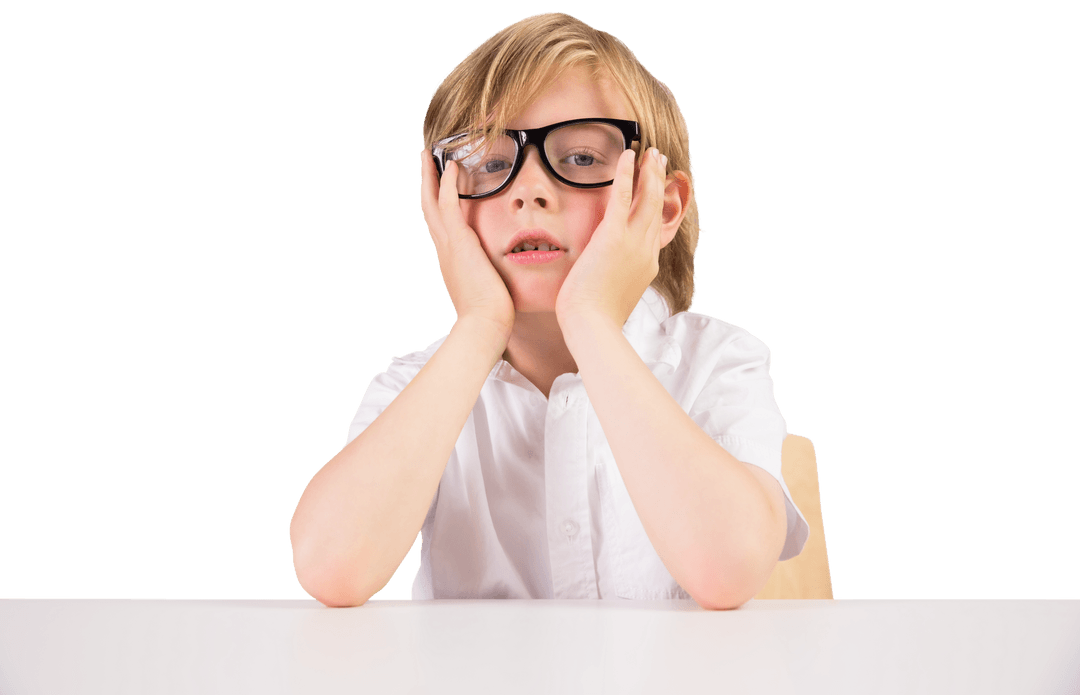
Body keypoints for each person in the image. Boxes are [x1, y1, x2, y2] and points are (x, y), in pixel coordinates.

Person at [288, 12, 809, 610]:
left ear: (660, 207)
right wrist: (481, 322)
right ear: (443, 211)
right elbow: (330, 567)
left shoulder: (717, 360)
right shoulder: (417, 387)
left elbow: (730, 568)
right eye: (487, 163)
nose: (526, 189)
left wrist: (588, 319)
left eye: (582, 158)